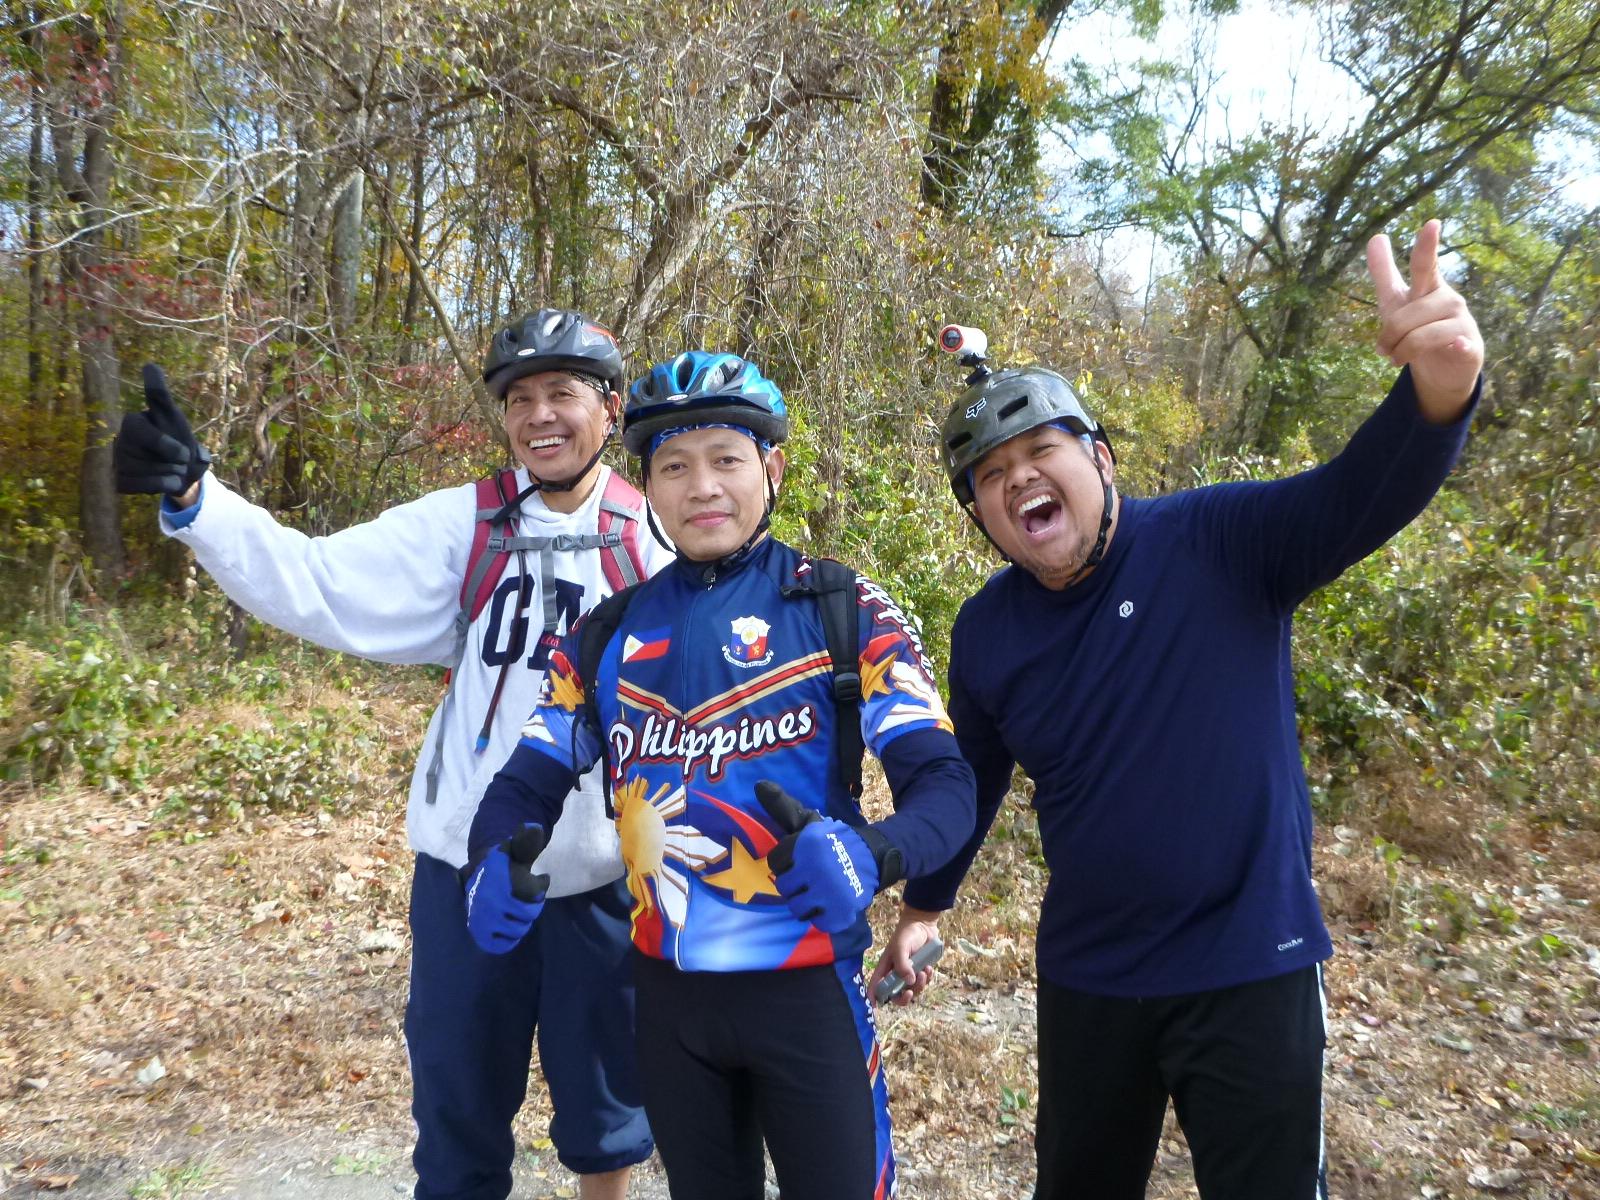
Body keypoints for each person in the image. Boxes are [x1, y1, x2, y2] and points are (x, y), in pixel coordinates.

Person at [870, 219, 1484, 1200]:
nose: (1018, 476)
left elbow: (1355, 495)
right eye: (989, 475)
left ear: (1102, 461)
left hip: (1251, 961)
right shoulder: (988, 631)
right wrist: (921, 911)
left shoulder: (1219, 542)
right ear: (979, 518)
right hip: (1091, 975)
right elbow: (971, 781)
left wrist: (1438, 392)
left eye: (1040, 449)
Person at [112, 310, 673, 1200]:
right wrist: (199, 504)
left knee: (608, 1120)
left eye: (563, 394)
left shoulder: (658, 533)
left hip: (604, 878)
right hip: (465, 870)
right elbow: (317, 579)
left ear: (609, 408)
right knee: (457, 1118)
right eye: (520, 399)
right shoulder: (469, 524)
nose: (540, 417)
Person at [463, 351, 977, 1200]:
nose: (702, 486)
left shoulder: (842, 609)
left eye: (727, 460)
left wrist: (873, 854)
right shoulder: (603, 637)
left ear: (770, 470)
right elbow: (526, 781)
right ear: (648, 490)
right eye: (674, 465)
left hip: (808, 991)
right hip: (669, 1008)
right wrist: (489, 858)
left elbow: (947, 784)